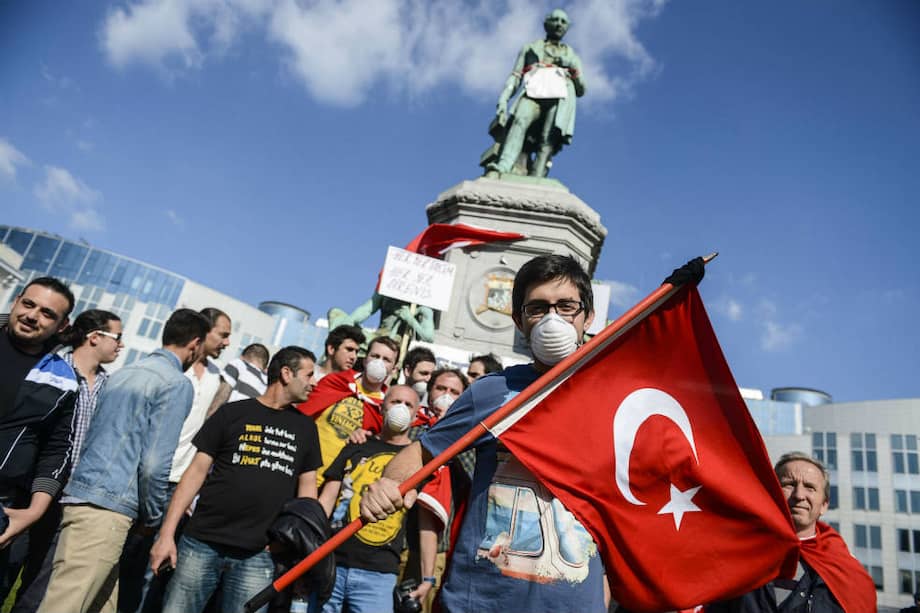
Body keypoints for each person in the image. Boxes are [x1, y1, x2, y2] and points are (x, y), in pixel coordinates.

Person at [360, 254, 608, 613]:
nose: (553, 319)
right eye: (538, 308)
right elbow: (421, 453)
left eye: (566, 306)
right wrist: (389, 482)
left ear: (588, 314)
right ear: (519, 321)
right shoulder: (492, 391)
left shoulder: (615, 398)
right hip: (479, 602)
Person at [38, 308, 210, 613]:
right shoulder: (175, 383)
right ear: (195, 344)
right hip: (109, 509)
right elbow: (156, 462)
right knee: (63, 605)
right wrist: (154, 516)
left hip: (84, 498)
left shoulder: (125, 372)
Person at [150, 346, 322, 613]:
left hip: (260, 555)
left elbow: (308, 491)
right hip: (200, 543)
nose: (314, 383)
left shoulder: (306, 428)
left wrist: (296, 543)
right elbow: (195, 473)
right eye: (309, 374)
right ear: (287, 374)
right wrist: (166, 535)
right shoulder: (232, 414)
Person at [118, 307, 231, 613]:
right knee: (121, 557)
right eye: (222, 335)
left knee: (150, 569)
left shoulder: (218, 381)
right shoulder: (171, 370)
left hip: (180, 486)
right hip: (146, 475)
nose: (226, 343)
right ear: (202, 334)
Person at [13, 309, 123, 613]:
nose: (121, 345)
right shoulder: (50, 369)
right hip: (29, 490)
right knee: (8, 569)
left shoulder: (109, 386)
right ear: (94, 337)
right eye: (118, 337)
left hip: (70, 500)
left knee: (40, 586)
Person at [706, 452, 876, 613]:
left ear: (824, 505)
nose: (799, 495)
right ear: (770, 494)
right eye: (789, 484)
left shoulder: (846, 571)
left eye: (810, 487)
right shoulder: (736, 554)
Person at [0, 277, 77, 601]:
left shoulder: (63, 380)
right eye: (29, 304)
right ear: (16, 300)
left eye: (47, 313)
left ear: (62, 325)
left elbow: (57, 451)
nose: (32, 316)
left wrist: (32, 513)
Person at [318, 385, 420, 613]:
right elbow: (328, 497)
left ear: (415, 415)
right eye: (395, 402)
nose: (400, 409)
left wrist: (428, 575)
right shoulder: (357, 445)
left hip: (379, 572)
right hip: (332, 561)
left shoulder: (418, 460)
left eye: (408, 405)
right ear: (382, 407)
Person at [484, 9, 585, 178]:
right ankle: (504, 165)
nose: (559, 24)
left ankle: (537, 176)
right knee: (519, 120)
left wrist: (571, 68)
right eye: (556, 20)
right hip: (534, 92)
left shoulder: (572, 56)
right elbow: (516, 76)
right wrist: (503, 99)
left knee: (548, 137)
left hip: (559, 97)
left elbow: (582, 89)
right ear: (547, 24)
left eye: (563, 22)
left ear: (567, 27)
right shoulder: (530, 48)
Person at [297, 336, 400, 487]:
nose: (379, 362)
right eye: (375, 356)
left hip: (336, 486)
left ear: (394, 368)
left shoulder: (386, 409)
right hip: (302, 470)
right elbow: (302, 415)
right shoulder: (335, 382)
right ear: (365, 359)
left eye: (386, 359)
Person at [206, 342, 270, 414]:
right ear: (265, 366)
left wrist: (208, 420)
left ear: (242, 356)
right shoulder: (267, 382)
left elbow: (222, 394)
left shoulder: (239, 364)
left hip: (228, 419)